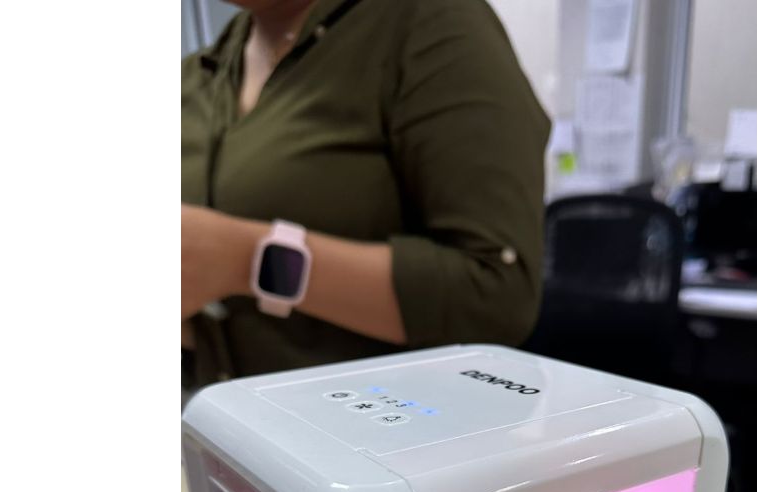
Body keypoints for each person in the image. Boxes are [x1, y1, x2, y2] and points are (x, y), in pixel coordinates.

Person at [182, 0, 551, 385]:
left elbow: (496, 295)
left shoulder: (429, 25)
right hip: (228, 414)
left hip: (391, 416)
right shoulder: (198, 74)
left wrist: (252, 261)